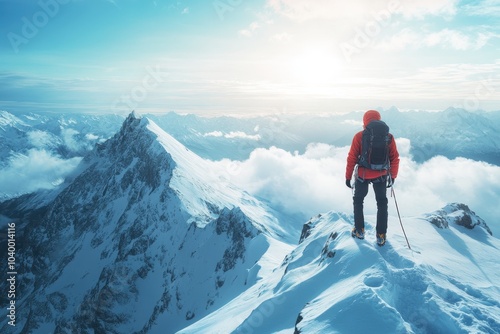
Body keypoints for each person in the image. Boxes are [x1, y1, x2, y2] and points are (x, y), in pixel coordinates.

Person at [345, 110, 399, 246]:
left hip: (363, 174)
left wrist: (348, 176)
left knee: (358, 200)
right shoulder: (389, 137)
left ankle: (359, 230)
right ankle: (381, 235)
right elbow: (394, 158)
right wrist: (392, 176)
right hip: (381, 174)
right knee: (382, 203)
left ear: (365, 121)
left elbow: (351, 158)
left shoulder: (359, 136)